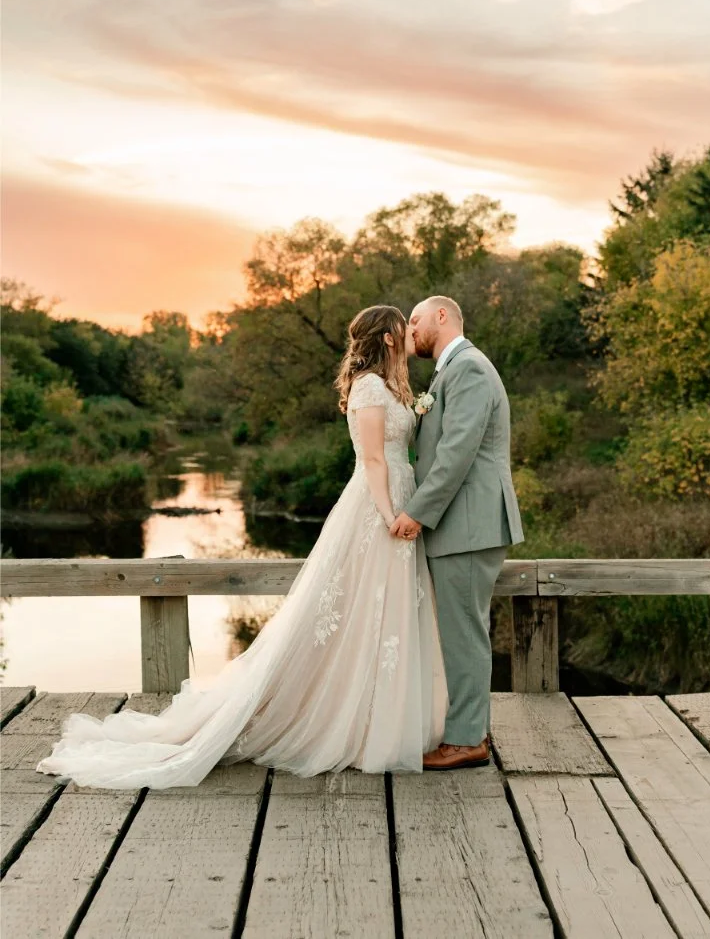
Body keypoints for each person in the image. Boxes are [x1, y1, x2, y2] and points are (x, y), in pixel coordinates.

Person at [35, 305, 447, 788]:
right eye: (404, 327)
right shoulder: (372, 387)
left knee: (382, 615)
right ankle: (344, 721)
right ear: (391, 337)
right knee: (354, 612)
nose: (410, 333)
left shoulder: (393, 387)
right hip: (380, 508)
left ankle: (378, 717)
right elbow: (375, 459)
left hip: (398, 501)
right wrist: (388, 516)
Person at [390, 295, 524, 770]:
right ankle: (465, 730)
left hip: (468, 524)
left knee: (464, 633)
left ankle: (468, 739)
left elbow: (458, 452)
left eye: (417, 320)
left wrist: (417, 512)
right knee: (458, 630)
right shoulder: (453, 370)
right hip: (463, 524)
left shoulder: (468, 368)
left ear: (442, 317)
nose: (411, 330)